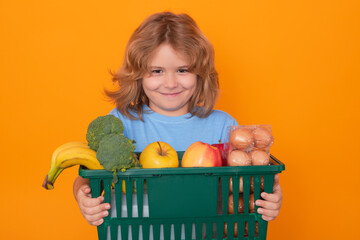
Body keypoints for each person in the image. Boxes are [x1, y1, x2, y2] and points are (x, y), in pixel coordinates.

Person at [73, 11, 282, 227]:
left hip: (205, 231)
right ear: (138, 74)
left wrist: (271, 197)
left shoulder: (223, 126)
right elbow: (86, 177)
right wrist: (82, 196)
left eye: (182, 70)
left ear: (200, 74)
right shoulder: (121, 123)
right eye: (157, 71)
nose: (171, 83)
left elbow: (244, 190)